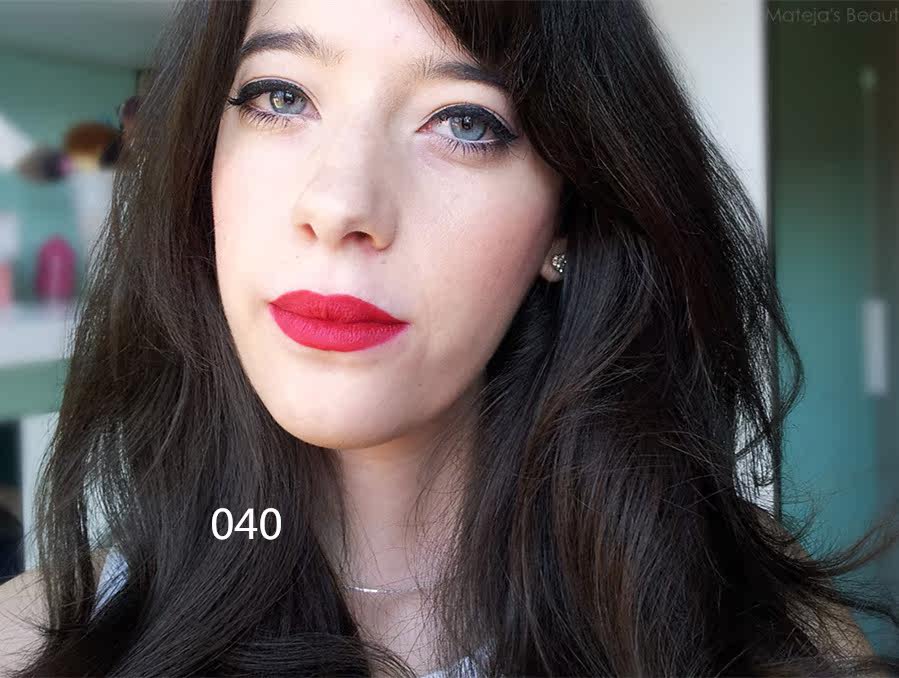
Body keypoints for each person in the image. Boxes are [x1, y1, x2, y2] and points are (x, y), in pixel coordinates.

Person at [1, 0, 897, 676]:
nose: (339, 204)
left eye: (465, 121)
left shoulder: (764, 634)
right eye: (280, 95)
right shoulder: (32, 642)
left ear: (565, 219)